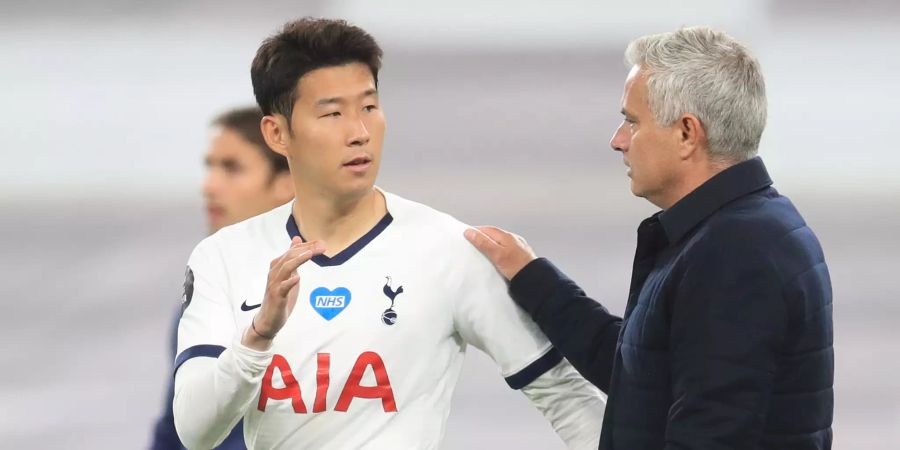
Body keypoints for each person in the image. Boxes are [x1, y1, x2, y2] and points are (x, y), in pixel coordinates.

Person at [172, 18, 605, 450]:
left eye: (369, 107)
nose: (359, 133)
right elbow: (195, 433)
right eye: (333, 113)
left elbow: (566, 396)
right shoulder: (223, 257)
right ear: (277, 133)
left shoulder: (449, 250)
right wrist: (258, 335)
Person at [464, 27, 833, 449]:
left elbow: (710, 437)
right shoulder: (741, 228)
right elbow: (639, 372)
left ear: (687, 133)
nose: (617, 140)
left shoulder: (735, 252)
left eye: (631, 121)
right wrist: (532, 277)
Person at [149, 107, 293, 450]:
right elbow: (176, 426)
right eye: (209, 167)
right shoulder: (208, 286)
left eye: (232, 168)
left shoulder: (331, 288)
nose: (209, 186)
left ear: (286, 182)